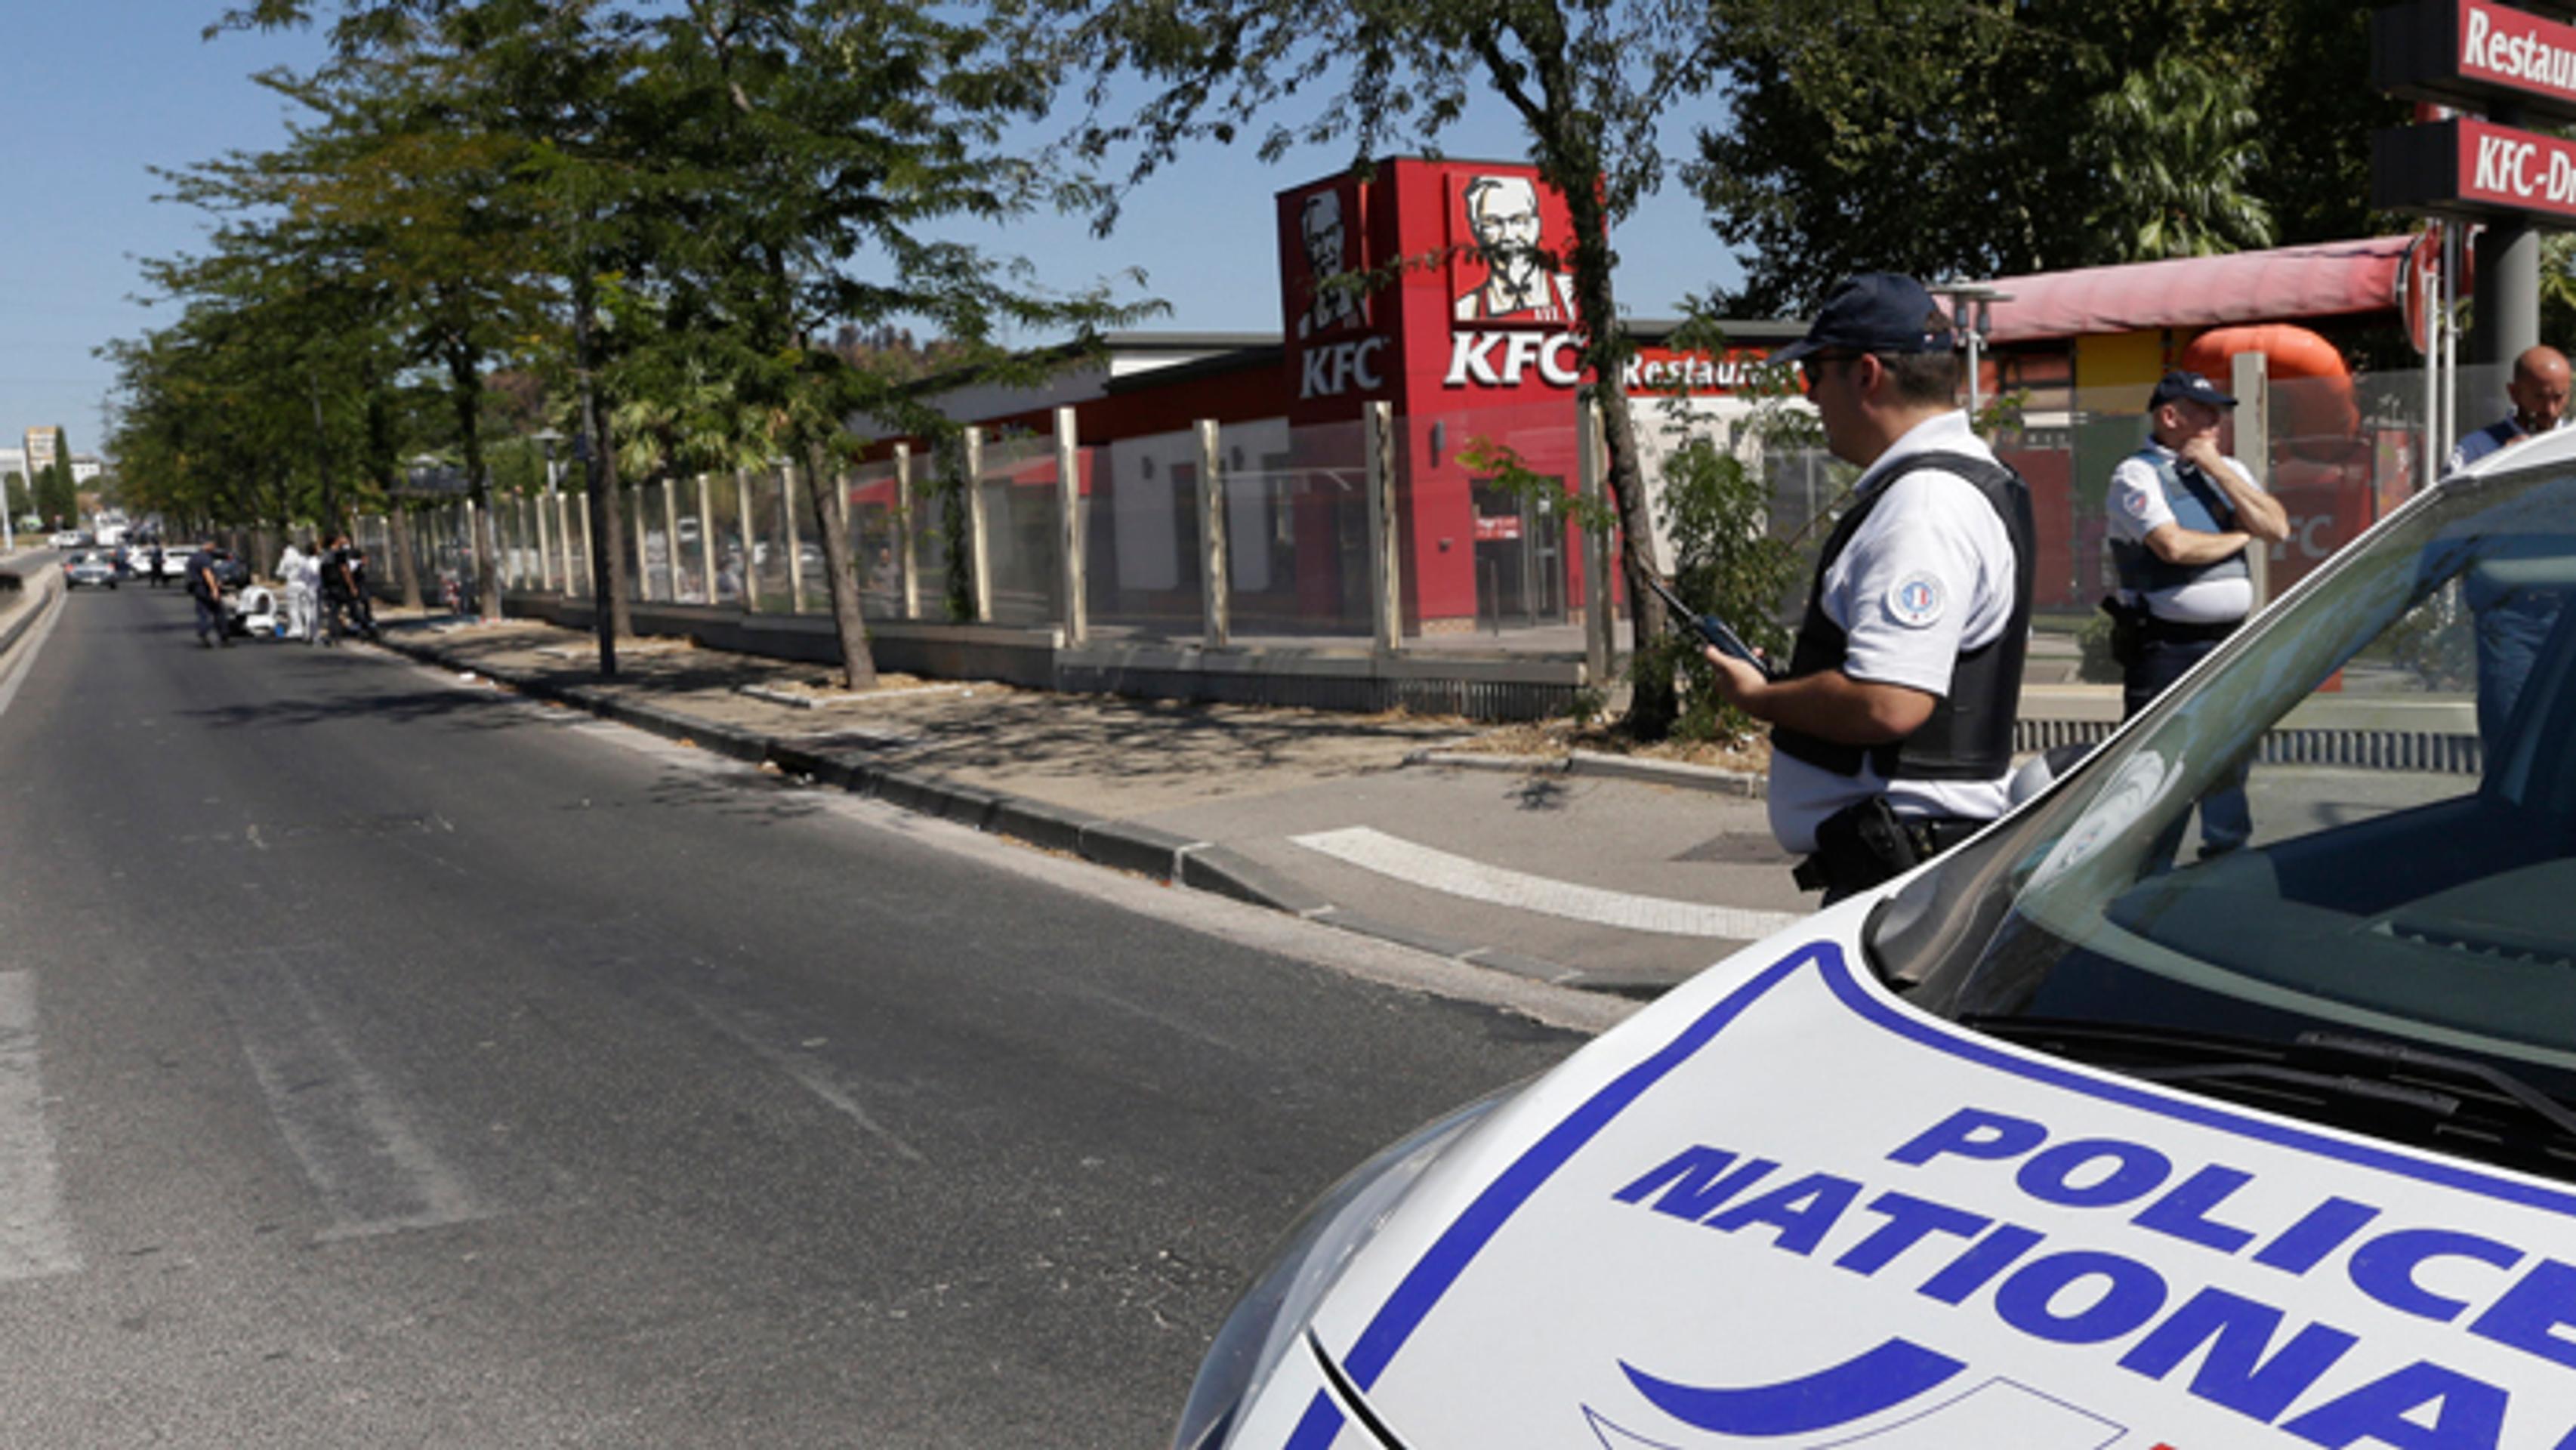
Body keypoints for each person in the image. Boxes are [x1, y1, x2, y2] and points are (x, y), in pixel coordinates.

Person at [1700, 273, 2035, 902]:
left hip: (1903, 875)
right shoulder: (1958, 483)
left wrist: (1761, 697)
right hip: (1912, 862)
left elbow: (1888, 701)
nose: (1808, 396)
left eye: (1814, 374)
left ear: (1865, 374)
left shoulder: (1923, 507)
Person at [2102, 370, 2291, 859]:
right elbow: (2173, 546)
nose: (2216, 421)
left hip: (2228, 641)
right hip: (2166, 646)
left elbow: (2277, 527)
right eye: (2204, 412)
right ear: (2169, 416)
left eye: (2219, 411)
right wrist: (2238, 537)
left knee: (2227, 753)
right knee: (2155, 764)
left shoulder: (2227, 470)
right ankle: (2141, 864)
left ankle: (2225, 855)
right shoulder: (2136, 474)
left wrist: (2220, 472)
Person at [2446, 345, 2574, 749]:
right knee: (2510, 734)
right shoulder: (2477, 451)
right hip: (2511, 616)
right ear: (2514, 392)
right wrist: (2499, 475)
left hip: (2569, 614)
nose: (2551, 410)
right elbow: (2450, 523)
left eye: (2560, 397)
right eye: (2540, 397)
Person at [184, 541, 228, 648]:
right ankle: (224, 636)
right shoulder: (205, 559)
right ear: (207, 545)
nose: (214, 548)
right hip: (205, 588)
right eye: (212, 545)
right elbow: (207, 573)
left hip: (197, 588)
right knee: (219, 611)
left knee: (202, 612)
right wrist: (214, 589)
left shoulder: (194, 557)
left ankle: (203, 633)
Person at [280, 539, 320, 643]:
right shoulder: (302, 559)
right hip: (307, 586)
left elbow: (280, 572)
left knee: (293, 607)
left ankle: (297, 628)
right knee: (308, 609)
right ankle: (310, 631)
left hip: (295, 584)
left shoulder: (286, 559)